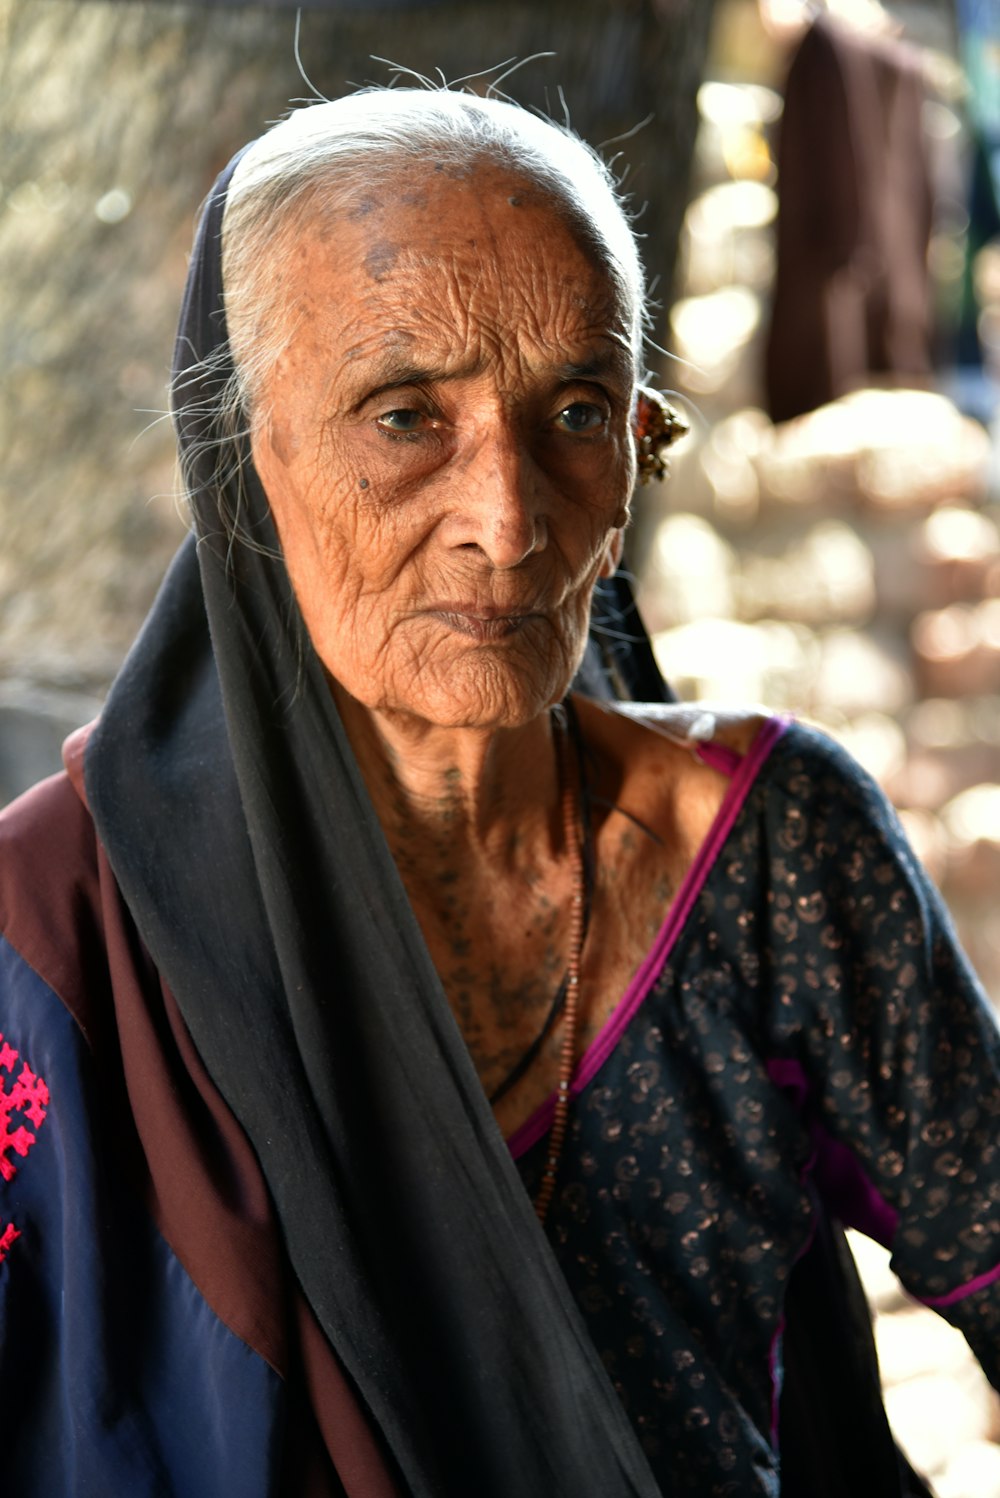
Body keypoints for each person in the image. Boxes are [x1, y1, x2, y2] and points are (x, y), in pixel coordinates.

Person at [0, 87, 997, 1498]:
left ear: (643, 444)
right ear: (242, 453)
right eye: (406, 416)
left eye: (576, 412)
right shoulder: (46, 942)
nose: (510, 517)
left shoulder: (767, 850)